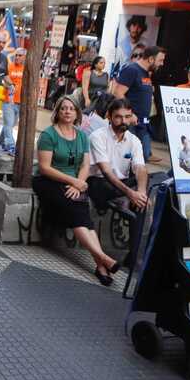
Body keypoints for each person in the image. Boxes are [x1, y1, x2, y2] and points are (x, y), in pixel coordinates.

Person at [33, 96, 120, 286]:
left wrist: (78, 183)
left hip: (73, 183)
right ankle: (102, 258)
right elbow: (45, 168)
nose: (67, 112)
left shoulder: (81, 136)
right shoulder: (48, 135)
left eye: (71, 109)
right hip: (48, 181)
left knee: (83, 216)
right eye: (63, 108)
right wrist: (73, 182)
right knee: (76, 208)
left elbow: (85, 164)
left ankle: (102, 265)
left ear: (77, 113)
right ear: (57, 112)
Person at [87, 98, 149, 266]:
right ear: (109, 116)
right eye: (118, 117)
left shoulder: (134, 140)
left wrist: (141, 191)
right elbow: (106, 172)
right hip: (99, 183)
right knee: (131, 194)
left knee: (147, 188)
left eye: (127, 117)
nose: (123, 121)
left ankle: (133, 255)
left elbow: (140, 168)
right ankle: (126, 201)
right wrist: (130, 193)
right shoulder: (97, 137)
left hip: (120, 185)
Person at [112, 45, 166, 163]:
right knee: (126, 157)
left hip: (143, 121)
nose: (162, 64)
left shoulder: (146, 73)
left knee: (142, 156)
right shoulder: (132, 70)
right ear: (151, 59)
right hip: (130, 122)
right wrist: (130, 114)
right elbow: (118, 93)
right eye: (160, 60)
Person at [0, 47, 26, 156]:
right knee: (9, 123)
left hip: (20, 102)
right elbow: (3, 81)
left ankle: (1, 141)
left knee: (11, 124)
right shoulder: (9, 67)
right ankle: (10, 146)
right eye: (16, 55)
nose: (17, 57)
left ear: (25, 57)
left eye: (20, 55)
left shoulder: (26, 69)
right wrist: (8, 85)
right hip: (8, 101)